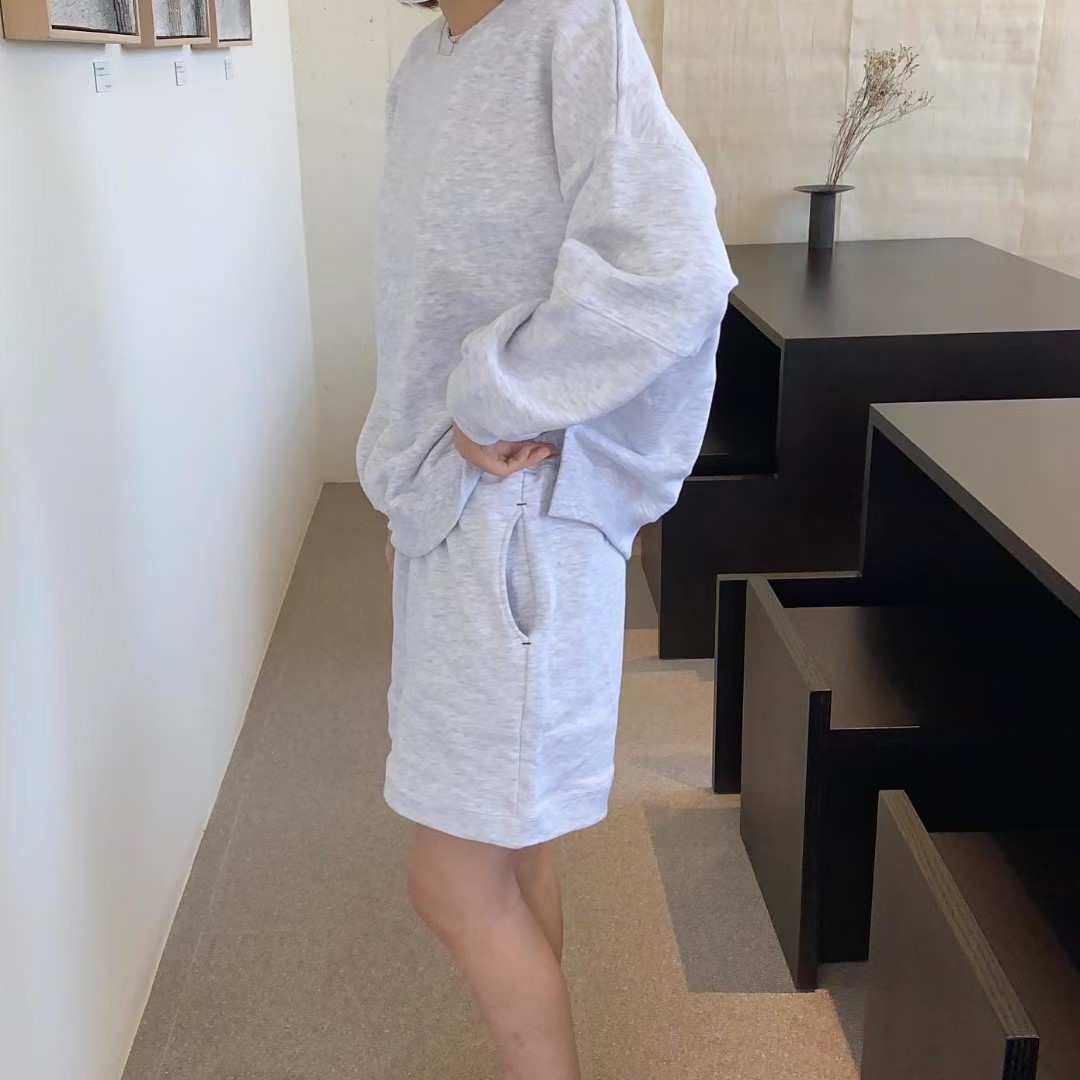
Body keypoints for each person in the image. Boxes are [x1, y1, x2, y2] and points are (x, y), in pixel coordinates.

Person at [356, 0, 736, 1075]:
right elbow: (425, 309)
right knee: (510, 848)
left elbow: (675, 267)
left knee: (450, 878)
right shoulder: (425, 64)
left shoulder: (570, 22)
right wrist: (415, 487)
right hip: (455, 513)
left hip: (518, 515)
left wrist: (496, 398)